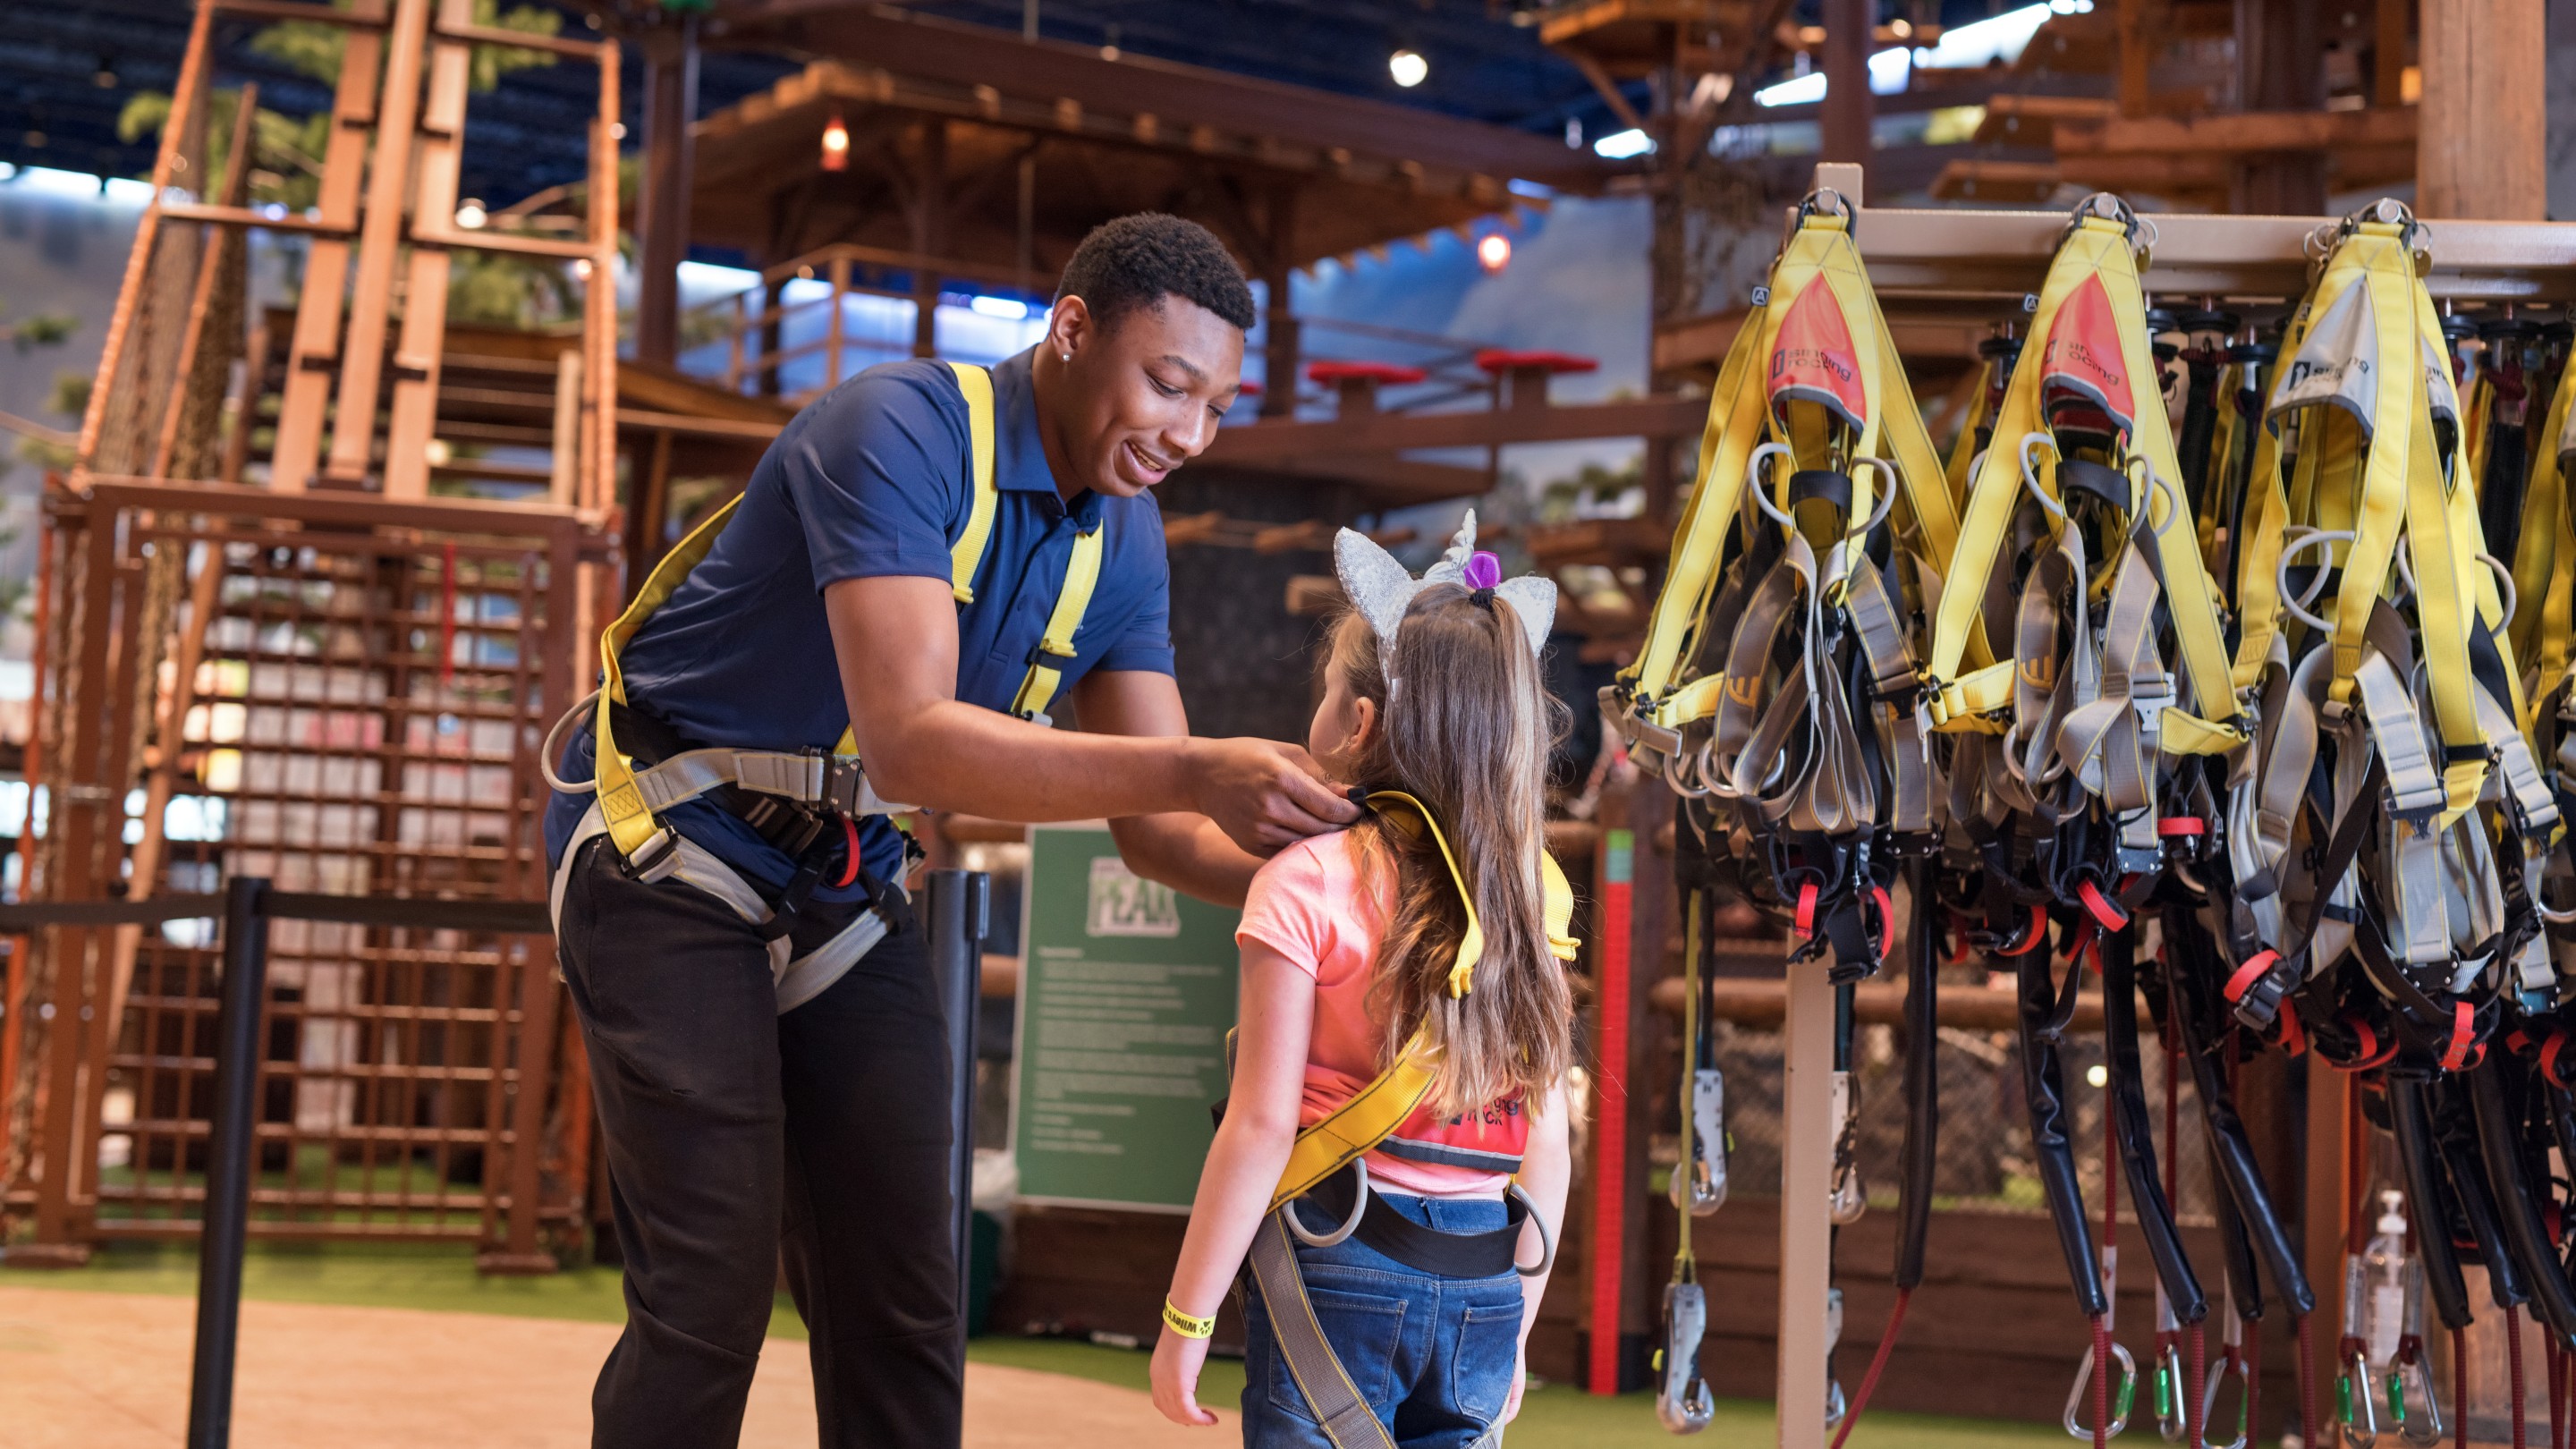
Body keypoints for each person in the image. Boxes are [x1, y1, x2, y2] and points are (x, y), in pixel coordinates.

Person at [544, 213, 1360, 1449]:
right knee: (707, 1290)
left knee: (904, 1295)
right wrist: (1202, 766)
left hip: (841, 887)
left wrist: (1358, 886)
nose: (1189, 434)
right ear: (1071, 330)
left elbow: (1154, 835)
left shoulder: (1126, 539)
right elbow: (915, 743)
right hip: (671, 853)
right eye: (1168, 385)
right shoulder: (897, 433)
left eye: (1216, 407)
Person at [1146, 528, 1576, 1449]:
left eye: (1328, 690)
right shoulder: (1535, 894)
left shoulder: (1304, 879)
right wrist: (1521, 1326)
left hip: (1341, 1261)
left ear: (1359, 724)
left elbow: (1260, 1128)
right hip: (1488, 1281)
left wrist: (1187, 1321)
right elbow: (1546, 1147)